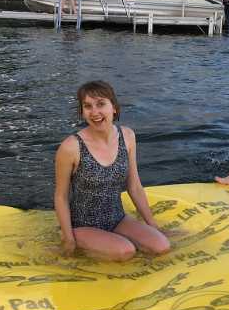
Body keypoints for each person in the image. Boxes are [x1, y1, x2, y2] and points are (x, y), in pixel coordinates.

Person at [54, 80, 170, 261]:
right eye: (88, 106)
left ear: (114, 107)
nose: (94, 112)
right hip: (83, 224)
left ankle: (115, 240)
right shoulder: (71, 147)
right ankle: (86, 241)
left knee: (161, 246)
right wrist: (68, 239)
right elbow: (61, 196)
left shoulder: (127, 136)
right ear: (82, 111)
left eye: (101, 104)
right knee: (125, 251)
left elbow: (134, 186)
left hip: (117, 219)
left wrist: (152, 225)